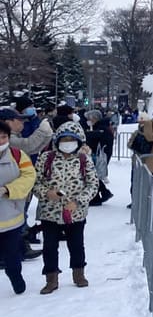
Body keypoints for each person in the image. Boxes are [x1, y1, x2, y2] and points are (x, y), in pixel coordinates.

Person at [34, 123, 99, 294]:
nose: (68, 143)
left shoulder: (84, 160)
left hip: (75, 212)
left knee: (76, 244)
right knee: (49, 246)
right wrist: (47, 193)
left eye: (72, 139)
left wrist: (78, 202)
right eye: (64, 139)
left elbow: (93, 185)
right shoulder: (45, 158)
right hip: (49, 212)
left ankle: (79, 273)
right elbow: (35, 182)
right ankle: (51, 278)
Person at [3, 107, 48, 260]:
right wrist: (43, 132)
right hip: (8, 190)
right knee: (13, 221)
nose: (22, 122)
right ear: (8, 122)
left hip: (17, 188)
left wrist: (46, 136)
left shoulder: (14, 137)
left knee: (19, 218)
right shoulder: (9, 140)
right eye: (18, 119)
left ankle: (21, 248)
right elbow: (28, 145)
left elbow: (33, 149)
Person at [0, 119, 36, 295]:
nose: (1, 141)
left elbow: (29, 177)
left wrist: (8, 190)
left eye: (4, 137)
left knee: (12, 256)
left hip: (11, 218)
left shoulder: (18, 155)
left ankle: (15, 276)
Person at [82, 110, 114, 206]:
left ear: (94, 118)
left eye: (89, 119)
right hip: (98, 155)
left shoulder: (101, 129)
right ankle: (104, 193)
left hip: (99, 156)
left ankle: (97, 197)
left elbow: (98, 140)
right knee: (94, 175)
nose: (88, 121)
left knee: (93, 176)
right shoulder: (99, 128)